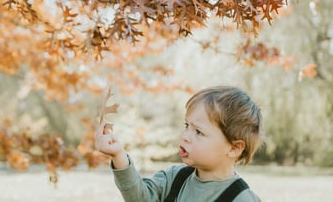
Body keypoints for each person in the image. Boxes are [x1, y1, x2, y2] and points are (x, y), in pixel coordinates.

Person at [95, 85, 264, 202]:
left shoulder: (241, 198)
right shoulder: (175, 178)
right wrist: (119, 155)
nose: (185, 136)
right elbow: (140, 198)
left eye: (199, 132)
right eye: (186, 126)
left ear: (234, 148)